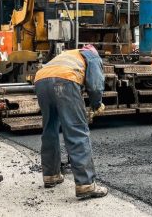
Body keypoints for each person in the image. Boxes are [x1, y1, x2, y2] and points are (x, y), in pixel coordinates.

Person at [34, 44, 108, 199]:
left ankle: (51, 175)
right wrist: (96, 103)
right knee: (76, 130)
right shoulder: (93, 56)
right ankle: (85, 184)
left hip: (41, 80)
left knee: (50, 129)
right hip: (65, 81)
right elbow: (95, 85)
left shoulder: (69, 54)